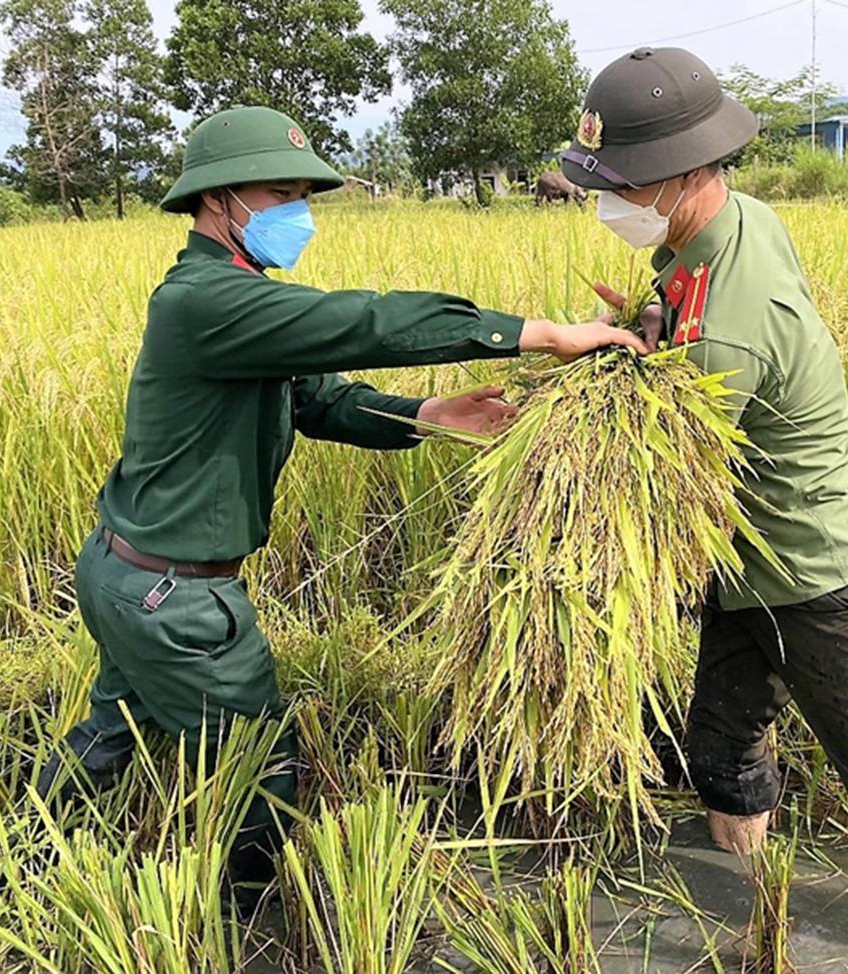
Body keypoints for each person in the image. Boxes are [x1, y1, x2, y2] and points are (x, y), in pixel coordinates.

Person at [38, 105, 648, 908]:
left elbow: (320, 400)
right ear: (218, 199)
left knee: (112, 734)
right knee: (257, 767)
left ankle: (21, 852)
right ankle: (242, 921)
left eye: (303, 196)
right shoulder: (206, 300)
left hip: (126, 574)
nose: (298, 213)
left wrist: (429, 414)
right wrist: (543, 334)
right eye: (280, 195)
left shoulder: (239, 303)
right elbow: (366, 322)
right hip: (174, 600)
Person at [560, 48, 848, 962]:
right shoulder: (733, 223)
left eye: (617, 184)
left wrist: (600, 390)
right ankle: (753, 904)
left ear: (685, 173)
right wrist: (652, 325)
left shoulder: (730, 330)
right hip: (748, 564)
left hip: (818, 574)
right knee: (722, 746)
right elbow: (690, 336)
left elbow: (667, 472)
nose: (604, 200)